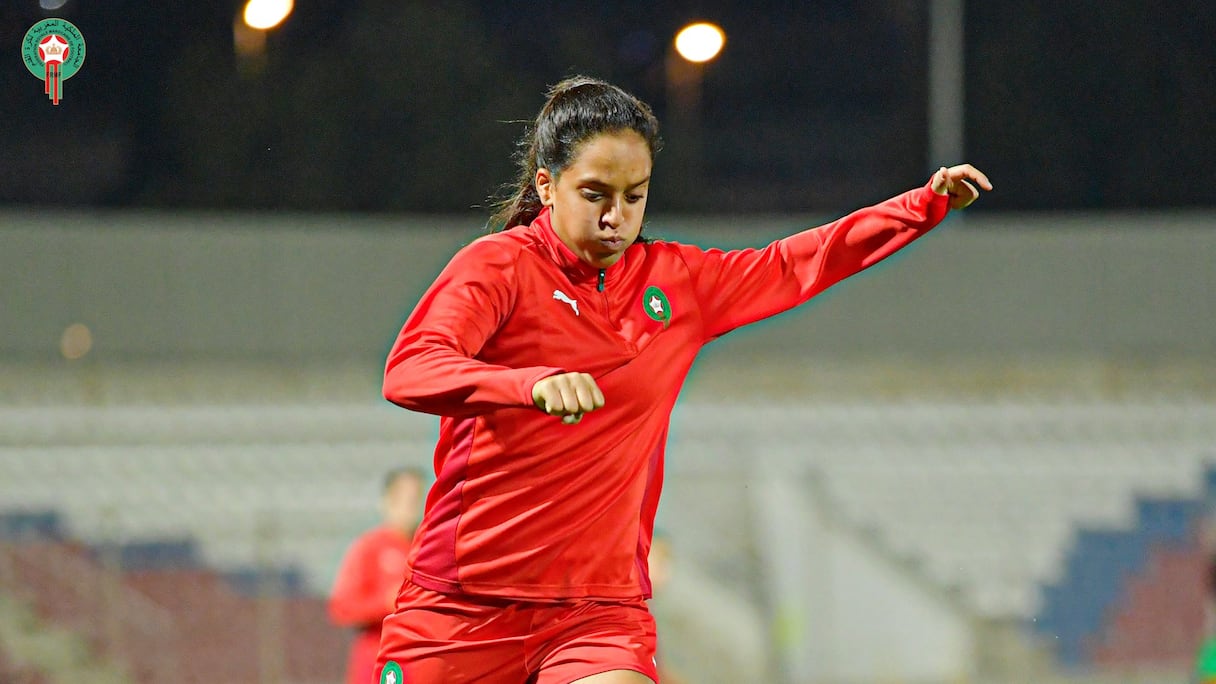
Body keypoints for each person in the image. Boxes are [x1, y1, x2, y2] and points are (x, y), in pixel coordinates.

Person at [376, 75, 992, 684]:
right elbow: (410, 368)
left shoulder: (677, 284)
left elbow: (797, 263)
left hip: (596, 612)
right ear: (546, 185)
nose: (616, 217)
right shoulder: (498, 266)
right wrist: (526, 386)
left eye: (634, 195)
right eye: (595, 194)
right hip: (463, 605)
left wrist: (921, 207)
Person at [329, 467, 425, 684]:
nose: (410, 506)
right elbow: (342, 607)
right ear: (387, 501)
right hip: (378, 658)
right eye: (404, 498)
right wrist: (386, 602)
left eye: (416, 498)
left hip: (418, 659)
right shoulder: (369, 547)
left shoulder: (425, 548)